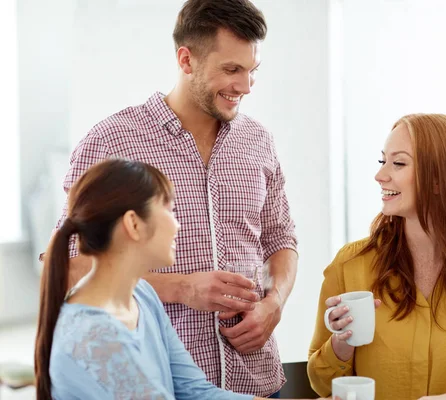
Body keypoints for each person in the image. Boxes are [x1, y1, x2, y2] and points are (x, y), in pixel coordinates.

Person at [50, 0, 297, 397]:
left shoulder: (258, 141)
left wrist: (275, 303)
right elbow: (68, 266)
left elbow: (281, 238)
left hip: (256, 383)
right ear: (186, 60)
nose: (246, 87)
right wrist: (181, 288)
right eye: (231, 69)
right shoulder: (111, 142)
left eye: (252, 71)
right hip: (157, 380)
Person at [35, 159, 327, 400]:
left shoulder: (142, 297)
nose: (177, 224)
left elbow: (194, 391)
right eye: (169, 210)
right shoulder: (94, 338)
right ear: (133, 224)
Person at [307, 114, 446, 400]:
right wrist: (342, 344)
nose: (380, 175)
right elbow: (321, 383)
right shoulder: (351, 264)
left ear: (440, 179)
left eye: (399, 163)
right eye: (383, 161)